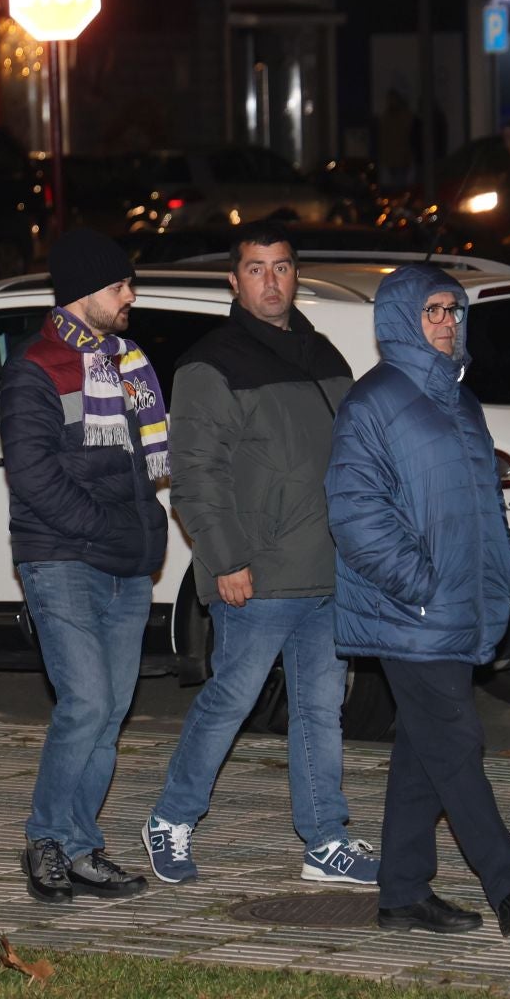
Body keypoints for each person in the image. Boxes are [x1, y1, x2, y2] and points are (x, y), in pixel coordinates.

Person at [325, 264, 510, 937]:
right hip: (412, 612)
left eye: (454, 312)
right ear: (401, 318)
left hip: (462, 602)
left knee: (425, 751)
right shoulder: (373, 403)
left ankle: (402, 894)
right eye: (432, 312)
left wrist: (504, 567)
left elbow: (487, 500)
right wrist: (419, 584)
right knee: (457, 741)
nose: (447, 323)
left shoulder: (461, 401)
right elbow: (354, 513)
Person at [143, 223, 376, 887]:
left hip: (326, 572)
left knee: (319, 709)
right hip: (258, 571)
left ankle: (325, 841)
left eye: (280, 268)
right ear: (233, 280)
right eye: (255, 269)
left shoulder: (325, 353)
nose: (270, 281)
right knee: (230, 700)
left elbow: (354, 457)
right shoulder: (211, 363)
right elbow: (193, 474)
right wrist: (224, 559)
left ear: (295, 274)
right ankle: (171, 820)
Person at [0, 227, 167, 905]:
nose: (132, 295)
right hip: (62, 558)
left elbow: (141, 470)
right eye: (121, 284)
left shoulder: (128, 364)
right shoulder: (36, 368)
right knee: (87, 702)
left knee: (111, 710)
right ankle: (45, 838)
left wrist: (144, 536)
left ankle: (78, 847)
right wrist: (109, 532)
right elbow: (34, 477)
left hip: (126, 564)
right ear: (83, 293)